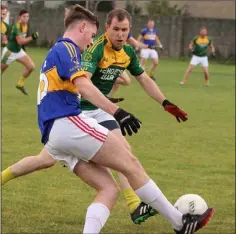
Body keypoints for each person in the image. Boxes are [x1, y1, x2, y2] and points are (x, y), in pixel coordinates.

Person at [2, 6, 214, 234]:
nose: (91, 41)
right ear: (83, 27)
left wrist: (162, 102)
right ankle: (179, 222)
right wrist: (117, 111)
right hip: (69, 122)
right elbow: (83, 85)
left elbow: (78, 86)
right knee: (130, 162)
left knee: (108, 189)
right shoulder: (69, 49)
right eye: (92, 35)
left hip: (56, 132)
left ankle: (135, 208)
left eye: (125, 30)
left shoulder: (60, 50)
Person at [107, 31, 159, 100]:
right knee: (125, 81)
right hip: (110, 60)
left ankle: (108, 97)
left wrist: (147, 46)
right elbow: (135, 43)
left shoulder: (125, 33)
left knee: (119, 83)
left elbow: (135, 43)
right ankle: (106, 83)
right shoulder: (114, 32)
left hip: (117, 61)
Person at [1, 9, 39, 95]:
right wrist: (32, 38)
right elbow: (20, 41)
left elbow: (21, 41)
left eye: (27, 16)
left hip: (18, 51)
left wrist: (23, 48)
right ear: (19, 17)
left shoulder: (25, 26)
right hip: (9, 52)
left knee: (31, 67)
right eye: (24, 16)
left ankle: (20, 84)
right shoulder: (16, 27)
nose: (26, 18)